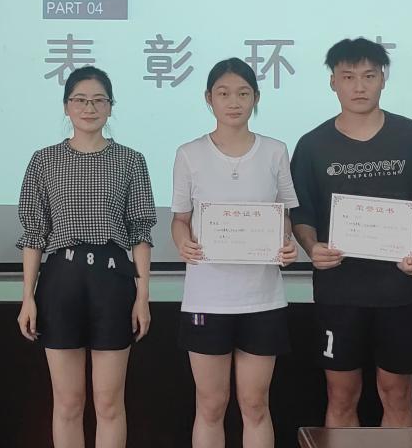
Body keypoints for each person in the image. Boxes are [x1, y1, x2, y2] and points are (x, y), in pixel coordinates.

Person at [291, 38, 412, 427]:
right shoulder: (311, 145)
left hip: (399, 290)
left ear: (383, 79)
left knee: (398, 394)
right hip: (339, 291)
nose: (359, 86)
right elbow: (302, 215)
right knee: (341, 396)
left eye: (369, 76)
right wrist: (311, 246)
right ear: (333, 82)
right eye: (348, 77)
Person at [16, 65, 156, 448]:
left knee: (109, 403)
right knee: (68, 403)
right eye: (80, 100)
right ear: (66, 107)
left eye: (98, 100)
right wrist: (27, 297)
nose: (89, 108)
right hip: (60, 281)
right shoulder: (44, 160)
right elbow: (34, 235)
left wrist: (143, 297)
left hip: (114, 281)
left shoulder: (131, 160)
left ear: (110, 107)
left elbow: (140, 233)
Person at [171, 58, 299, 448]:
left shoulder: (275, 151)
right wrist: (183, 242)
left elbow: (285, 214)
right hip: (207, 299)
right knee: (210, 405)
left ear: (255, 98)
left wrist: (285, 241)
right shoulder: (189, 153)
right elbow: (180, 220)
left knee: (256, 405)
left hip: (262, 299)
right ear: (208, 98)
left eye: (243, 93)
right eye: (224, 93)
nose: (234, 102)